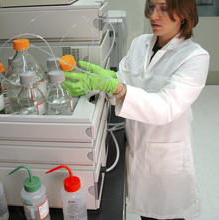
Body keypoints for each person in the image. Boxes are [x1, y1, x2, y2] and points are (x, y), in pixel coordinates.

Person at [63, 0, 210, 219]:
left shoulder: (195, 57)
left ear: (183, 13)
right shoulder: (140, 43)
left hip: (166, 157)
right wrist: (102, 79)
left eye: (164, 8)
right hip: (137, 144)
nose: (153, 16)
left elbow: (165, 107)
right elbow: (125, 78)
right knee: (145, 213)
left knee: (166, 213)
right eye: (151, 7)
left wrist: (117, 87)